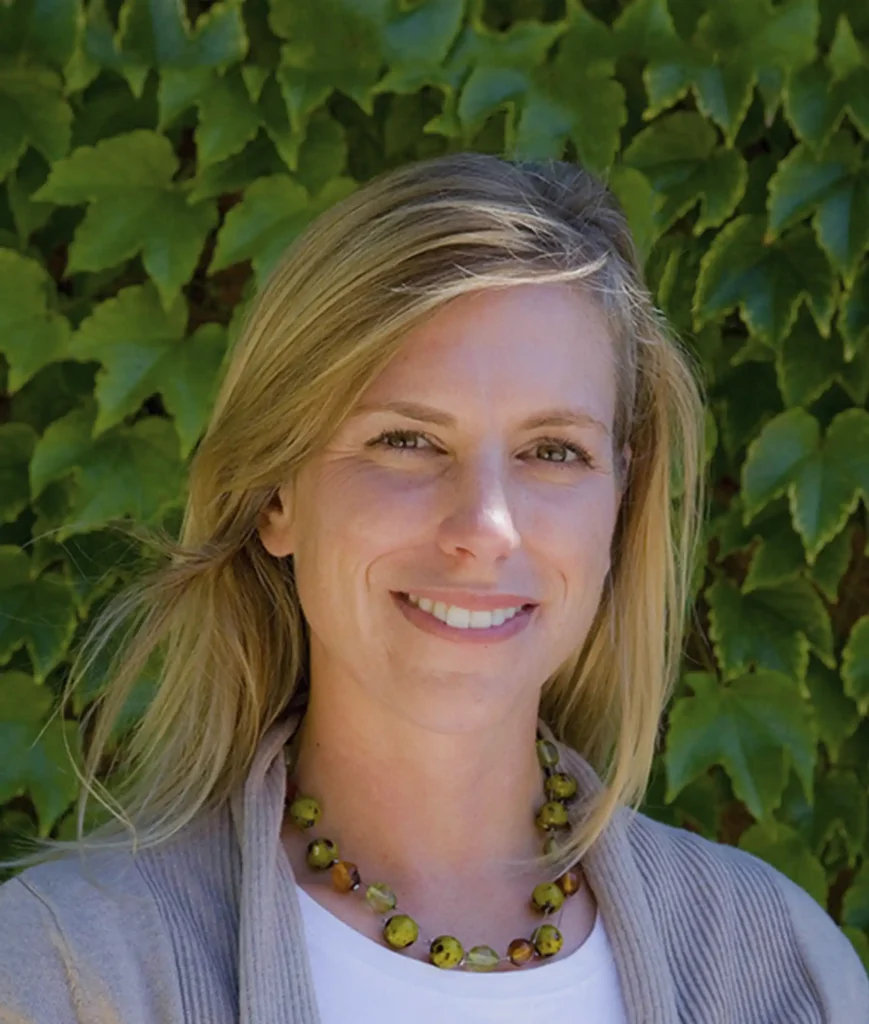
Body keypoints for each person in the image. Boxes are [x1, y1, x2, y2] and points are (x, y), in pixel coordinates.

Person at [0, 152, 866, 1024]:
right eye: (406, 441)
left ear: (619, 503)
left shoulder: (783, 971)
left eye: (553, 451)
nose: (486, 526)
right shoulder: (69, 969)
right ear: (276, 493)